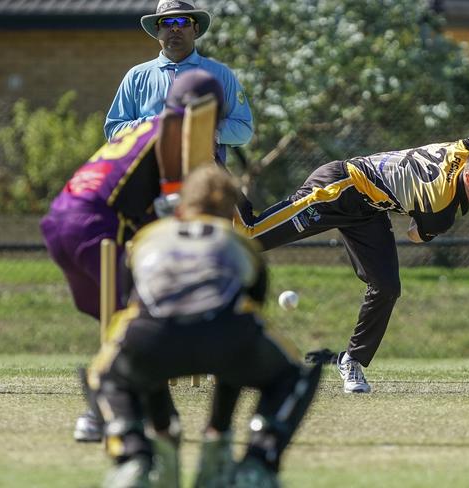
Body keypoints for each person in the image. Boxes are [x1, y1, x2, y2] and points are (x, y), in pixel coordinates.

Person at [235, 39, 469, 394]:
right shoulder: (440, 207)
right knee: (251, 235)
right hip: (340, 188)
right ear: (468, 178)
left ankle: (353, 361)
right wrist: (416, 216)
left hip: (370, 211)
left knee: (387, 287)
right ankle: (213, 177)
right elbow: (414, 235)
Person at [83, 165, 322, 488]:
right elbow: (247, 314)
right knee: (295, 372)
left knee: (104, 374)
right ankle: (257, 463)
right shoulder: (239, 242)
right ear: (228, 214)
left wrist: (162, 424)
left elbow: (136, 305)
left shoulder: (147, 237)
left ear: (179, 208)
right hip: (227, 335)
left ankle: (134, 457)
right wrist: (218, 428)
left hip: (150, 337)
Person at [40, 70, 225, 442]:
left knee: (124, 321)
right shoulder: (175, 131)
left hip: (60, 218)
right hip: (97, 225)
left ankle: (146, 410)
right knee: (141, 319)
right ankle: (100, 414)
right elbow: (173, 205)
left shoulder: (144, 128)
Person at [105, 0, 253, 164]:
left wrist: (206, 130)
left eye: (183, 21)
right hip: (149, 181)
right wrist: (155, 125)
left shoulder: (221, 74)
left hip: (203, 179)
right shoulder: (136, 76)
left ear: (195, 29)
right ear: (157, 30)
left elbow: (244, 129)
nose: (175, 28)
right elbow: (113, 130)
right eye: (166, 22)